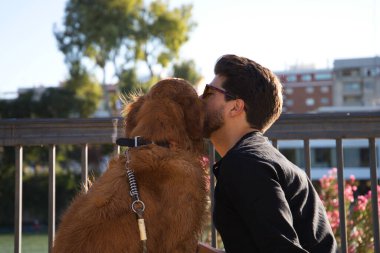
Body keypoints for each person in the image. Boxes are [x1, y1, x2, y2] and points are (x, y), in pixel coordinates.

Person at [198, 54, 337, 252]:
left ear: (236, 107)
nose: (199, 99)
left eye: (208, 92)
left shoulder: (245, 164)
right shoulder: (256, 159)